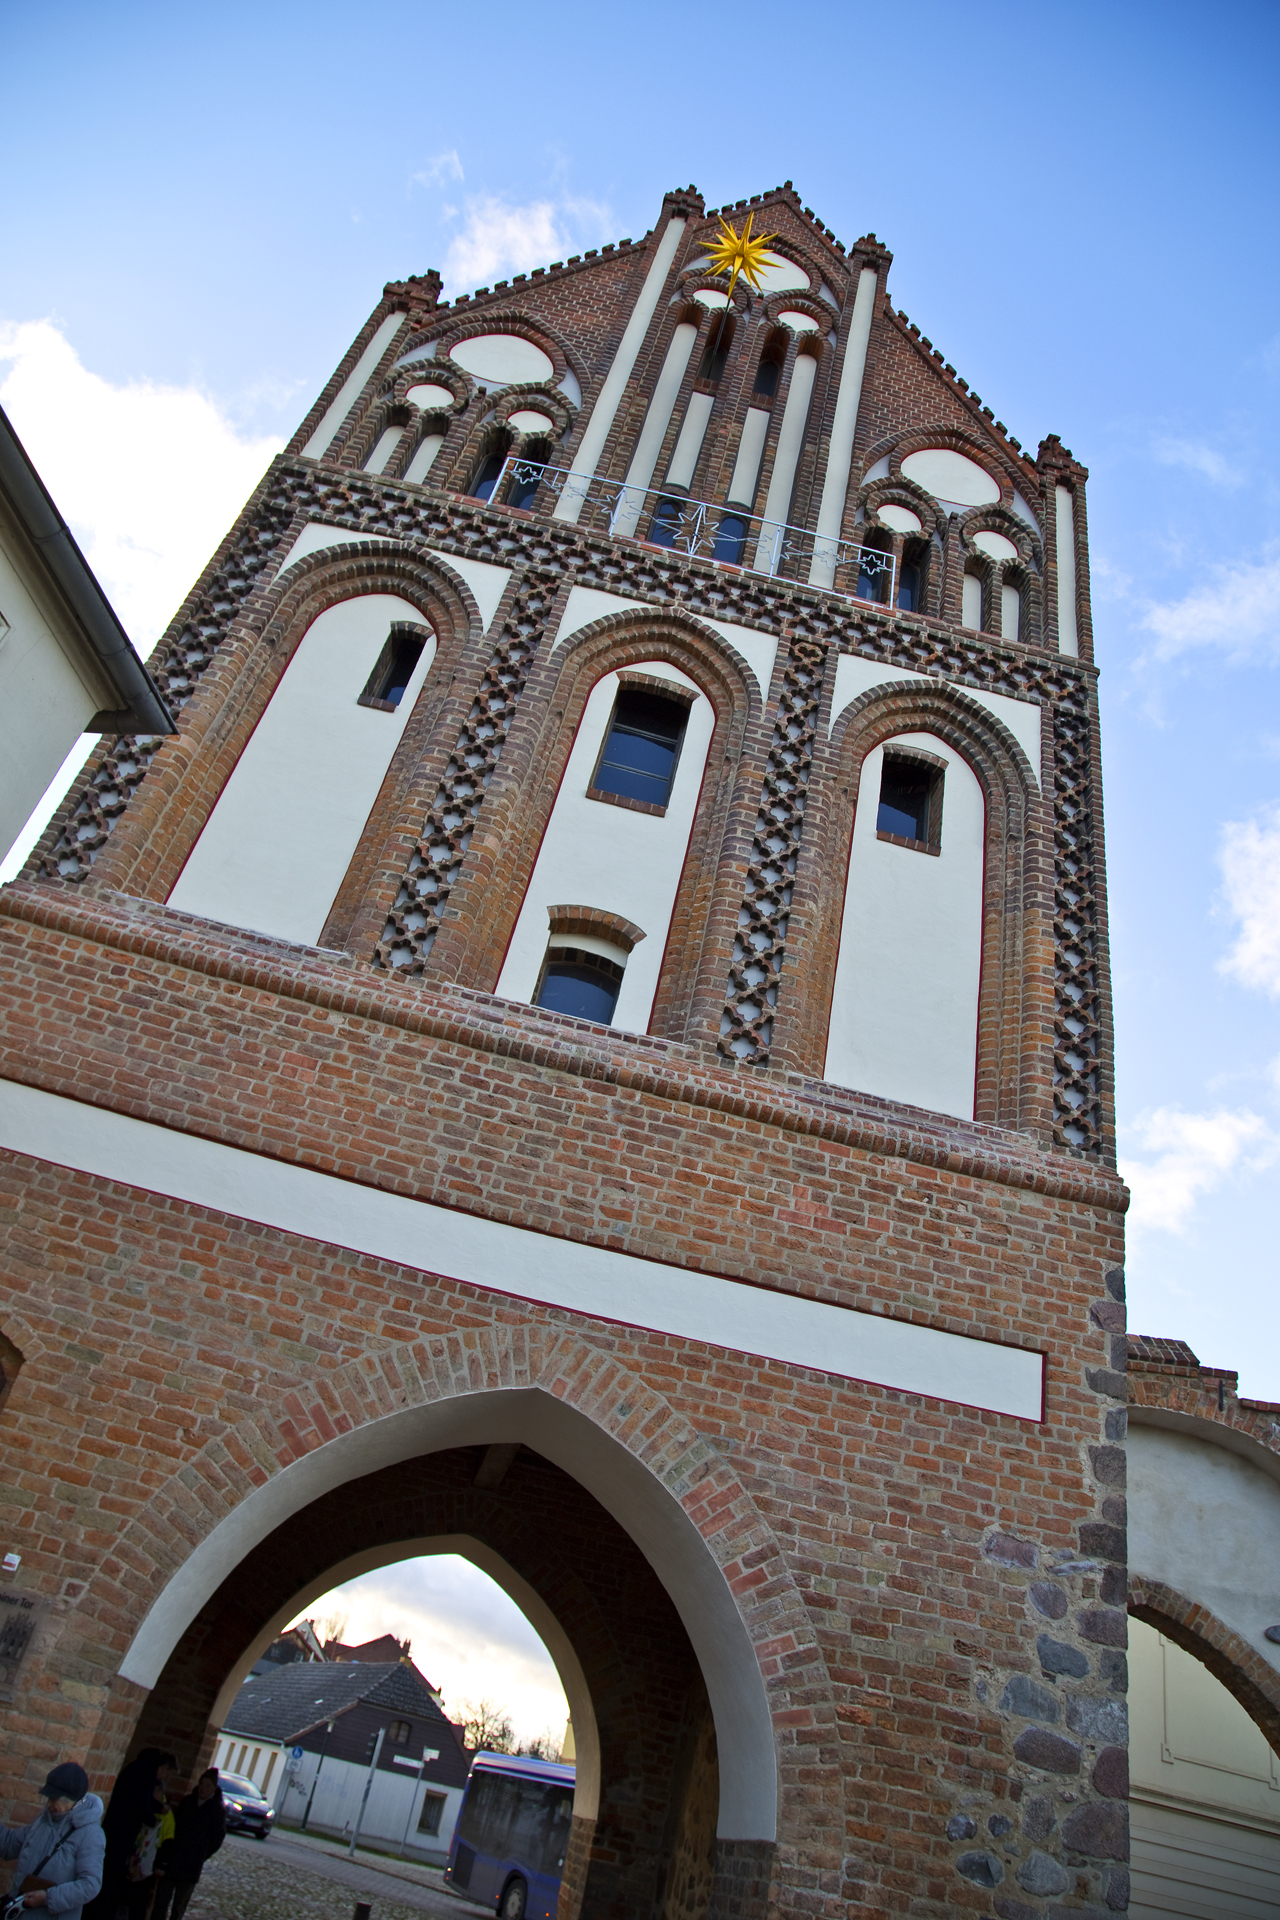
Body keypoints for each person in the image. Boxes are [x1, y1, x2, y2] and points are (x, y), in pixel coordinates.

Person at [0, 1762, 105, 1920]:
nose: (48, 1804)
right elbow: (8, 1845)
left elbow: (90, 1885)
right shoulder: (43, 1821)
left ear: (69, 1800)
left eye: (53, 1798)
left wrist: (48, 1898)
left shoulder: (91, 1834)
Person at [82, 1753, 175, 1920]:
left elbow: (139, 1798)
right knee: (108, 1876)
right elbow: (139, 1802)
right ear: (164, 1767)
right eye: (168, 1773)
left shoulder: (140, 1769)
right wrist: (152, 1819)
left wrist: (157, 1807)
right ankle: (96, 1913)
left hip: (117, 1831)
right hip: (120, 1833)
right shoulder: (146, 1773)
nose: (166, 1777)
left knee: (109, 1875)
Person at [150, 1774, 223, 1920]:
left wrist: (202, 1854)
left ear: (214, 1788)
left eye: (208, 1785)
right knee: (161, 1902)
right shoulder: (188, 1802)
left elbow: (217, 1838)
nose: (203, 1788)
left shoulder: (217, 1810)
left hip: (192, 1865)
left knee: (179, 1906)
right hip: (174, 1859)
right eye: (202, 1784)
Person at [122, 1781, 173, 1920]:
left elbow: (168, 1840)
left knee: (140, 1903)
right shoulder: (144, 1807)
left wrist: (161, 1864)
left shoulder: (166, 1814)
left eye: (156, 1791)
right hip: (132, 1860)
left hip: (149, 1864)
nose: (153, 1794)